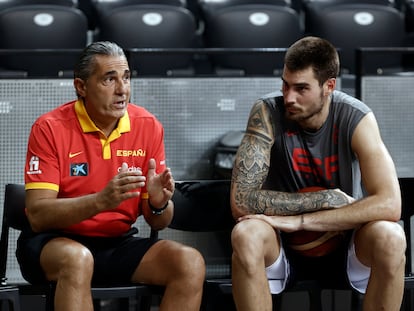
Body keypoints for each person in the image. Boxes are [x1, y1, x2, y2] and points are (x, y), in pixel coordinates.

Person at [17, 41, 205, 311]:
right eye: (109, 79)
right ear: (81, 87)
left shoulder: (148, 126)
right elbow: (37, 216)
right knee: (78, 259)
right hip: (54, 242)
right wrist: (100, 201)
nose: (122, 90)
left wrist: (158, 202)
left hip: (117, 243)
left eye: (126, 78)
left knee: (190, 263)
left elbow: (159, 221)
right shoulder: (49, 128)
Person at [230, 36, 406, 311]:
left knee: (392, 237)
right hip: (281, 243)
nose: (289, 97)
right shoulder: (267, 111)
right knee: (246, 233)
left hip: (347, 242)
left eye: (301, 88)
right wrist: (324, 199)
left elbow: (390, 203)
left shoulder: (356, 117)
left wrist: (303, 222)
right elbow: (241, 200)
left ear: (329, 86)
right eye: (285, 85)